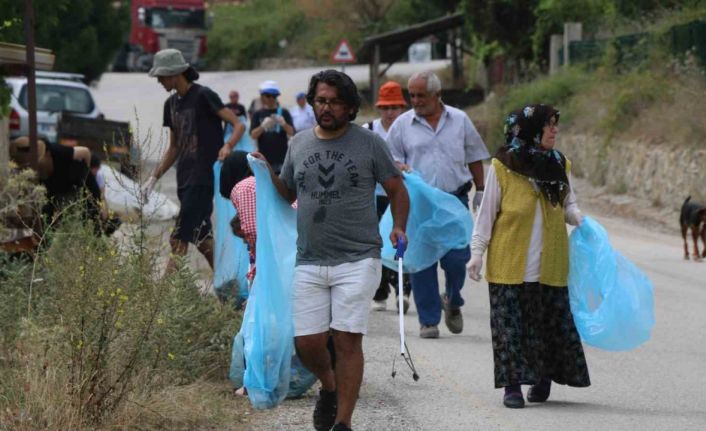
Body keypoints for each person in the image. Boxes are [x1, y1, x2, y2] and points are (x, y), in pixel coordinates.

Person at [252, 70, 409, 431]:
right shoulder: (299, 144)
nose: (327, 107)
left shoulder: (369, 143)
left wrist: (398, 226)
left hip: (358, 256)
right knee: (307, 343)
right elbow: (289, 193)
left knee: (347, 338)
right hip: (310, 257)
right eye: (321, 100)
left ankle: (343, 421)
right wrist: (265, 172)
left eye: (335, 101)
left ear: (350, 107)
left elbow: (397, 190)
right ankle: (330, 385)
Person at [467, 104, 590, 408]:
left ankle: (541, 377)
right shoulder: (503, 166)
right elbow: (486, 215)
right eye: (548, 125)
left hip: (550, 265)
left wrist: (578, 217)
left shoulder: (559, 163)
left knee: (546, 326)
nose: (554, 130)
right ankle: (512, 386)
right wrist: (477, 253)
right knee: (510, 327)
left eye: (555, 125)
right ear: (532, 130)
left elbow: (568, 202)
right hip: (509, 264)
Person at [386, 71, 489, 339]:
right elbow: (390, 159)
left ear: (437, 95)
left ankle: (453, 300)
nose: (416, 100)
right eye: (412, 95)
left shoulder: (459, 120)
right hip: (418, 203)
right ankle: (428, 320)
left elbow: (475, 155)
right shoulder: (402, 125)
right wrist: (400, 166)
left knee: (458, 259)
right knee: (421, 261)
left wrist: (481, 189)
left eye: (421, 95)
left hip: (454, 200)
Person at [142, 49, 245, 276]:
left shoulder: (203, 96)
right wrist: (153, 177)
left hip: (203, 177)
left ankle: (161, 300)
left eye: (161, 77)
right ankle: (229, 291)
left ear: (175, 74)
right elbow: (174, 147)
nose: (159, 81)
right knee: (201, 237)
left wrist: (227, 146)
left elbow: (238, 125)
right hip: (184, 178)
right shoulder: (170, 105)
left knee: (177, 238)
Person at [366, 81, 412, 313]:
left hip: (403, 195)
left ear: (402, 107)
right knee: (378, 243)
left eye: (394, 107)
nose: (390, 112)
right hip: (375, 196)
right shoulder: (370, 129)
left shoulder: (410, 128)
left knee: (402, 240)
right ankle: (380, 291)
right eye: (385, 107)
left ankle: (403, 290)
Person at [9, 136, 100, 225]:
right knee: (46, 218)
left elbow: (86, 152)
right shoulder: (33, 174)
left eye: (38, 162)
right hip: (57, 191)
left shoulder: (58, 151)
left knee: (89, 218)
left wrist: (85, 176)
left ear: (47, 153)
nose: (35, 168)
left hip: (81, 185)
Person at [250, 80, 294, 174]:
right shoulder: (257, 114)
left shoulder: (284, 112)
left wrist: (283, 124)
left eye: (274, 96)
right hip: (264, 158)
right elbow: (253, 135)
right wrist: (263, 126)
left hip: (282, 158)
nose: (271, 98)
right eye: (268, 96)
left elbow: (292, 132)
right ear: (262, 97)